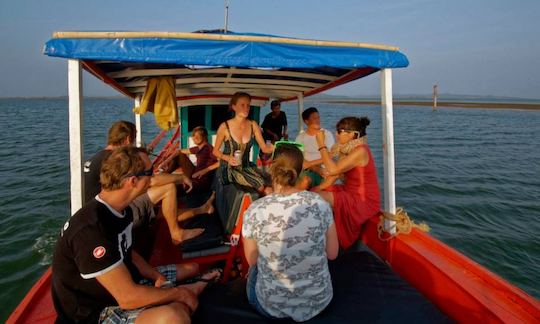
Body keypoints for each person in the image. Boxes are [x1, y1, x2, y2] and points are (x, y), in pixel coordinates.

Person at [52, 146, 221, 323]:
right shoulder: (90, 231)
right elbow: (128, 297)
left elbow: (128, 253)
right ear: (133, 181)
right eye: (150, 172)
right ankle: (192, 289)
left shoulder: (122, 211)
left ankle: (191, 288)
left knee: (191, 268)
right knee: (174, 317)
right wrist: (179, 294)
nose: (154, 175)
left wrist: (155, 276)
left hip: (125, 280)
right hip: (95, 311)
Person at [242, 143, 339, 321]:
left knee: (253, 270)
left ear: (271, 169)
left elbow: (253, 260)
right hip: (319, 302)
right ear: (301, 170)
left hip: (271, 307)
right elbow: (332, 254)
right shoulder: (320, 204)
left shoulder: (255, 210)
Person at [84, 120, 212, 244]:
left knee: (164, 206)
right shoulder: (115, 159)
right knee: (168, 189)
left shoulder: (99, 156)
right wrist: (181, 178)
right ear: (128, 139)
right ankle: (176, 233)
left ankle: (201, 209)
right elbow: (149, 181)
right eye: (133, 141)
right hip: (110, 216)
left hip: (98, 213)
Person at [314, 116, 381, 249]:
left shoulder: (361, 151)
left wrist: (321, 144)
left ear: (352, 134)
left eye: (340, 131)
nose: (336, 134)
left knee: (316, 198)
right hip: (349, 191)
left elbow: (333, 170)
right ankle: (323, 233)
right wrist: (318, 188)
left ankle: (333, 241)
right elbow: (335, 175)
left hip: (363, 199)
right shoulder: (346, 149)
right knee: (314, 193)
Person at [212, 92, 273, 193]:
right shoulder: (224, 127)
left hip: (246, 167)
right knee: (261, 185)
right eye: (242, 105)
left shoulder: (253, 125)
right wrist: (228, 158)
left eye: (248, 105)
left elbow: (264, 148)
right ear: (234, 107)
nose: (246, 108)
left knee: (270, 180)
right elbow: (215, 151)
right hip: (229, 168)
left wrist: (276, 146)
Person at [163, 126, 219, 193]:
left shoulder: (209, 148)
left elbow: (221, 161)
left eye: (197, 136)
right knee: (180, 155)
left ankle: (163, 177)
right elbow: (179, 151)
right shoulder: (199, 148)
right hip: (194, 175)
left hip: (200, 182)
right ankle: (164, 175)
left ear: (204, 137)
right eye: (193, 136)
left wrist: (204, 171)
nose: (194, 138)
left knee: (171, 188)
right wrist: (165, 162)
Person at [295, 107, 335, 190]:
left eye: (318, 117)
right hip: (308, 171)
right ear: (306, 121)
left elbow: (330, 155)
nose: (318, 120)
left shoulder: (327, 134)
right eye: (314, 118)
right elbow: (299, 158)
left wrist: (310, 164)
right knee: (305, 181)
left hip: (324, 170)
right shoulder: (300, 137)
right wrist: (315, 168)